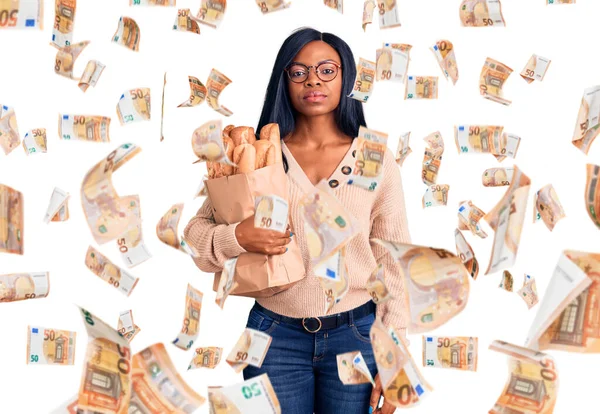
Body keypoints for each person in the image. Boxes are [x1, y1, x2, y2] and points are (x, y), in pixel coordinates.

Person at [184, 27, 411, 414]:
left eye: (327, 70)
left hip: (357, 334)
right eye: (299, 71)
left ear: (347, 79)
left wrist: (396, 358)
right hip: (272, 336)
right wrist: (239, 236)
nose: (313, 81)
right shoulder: (253, 152)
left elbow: (394, 262)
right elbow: (195, 237)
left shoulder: (375, 157)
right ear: (283, 80)